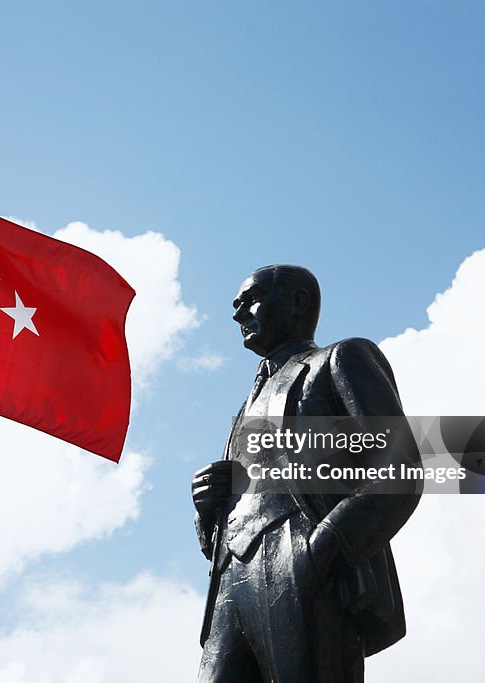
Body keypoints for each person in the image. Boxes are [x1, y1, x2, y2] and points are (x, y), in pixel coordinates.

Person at [192, 265, 422, 682]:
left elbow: (400, 466)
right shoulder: (244, 408)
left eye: (250, 301)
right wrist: (208, 508)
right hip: (230, 576)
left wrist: (327, 544)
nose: (238, 314)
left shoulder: (341, 358)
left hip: (301, 551)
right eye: (236, 306)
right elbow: (227, 521)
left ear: (298, 303)